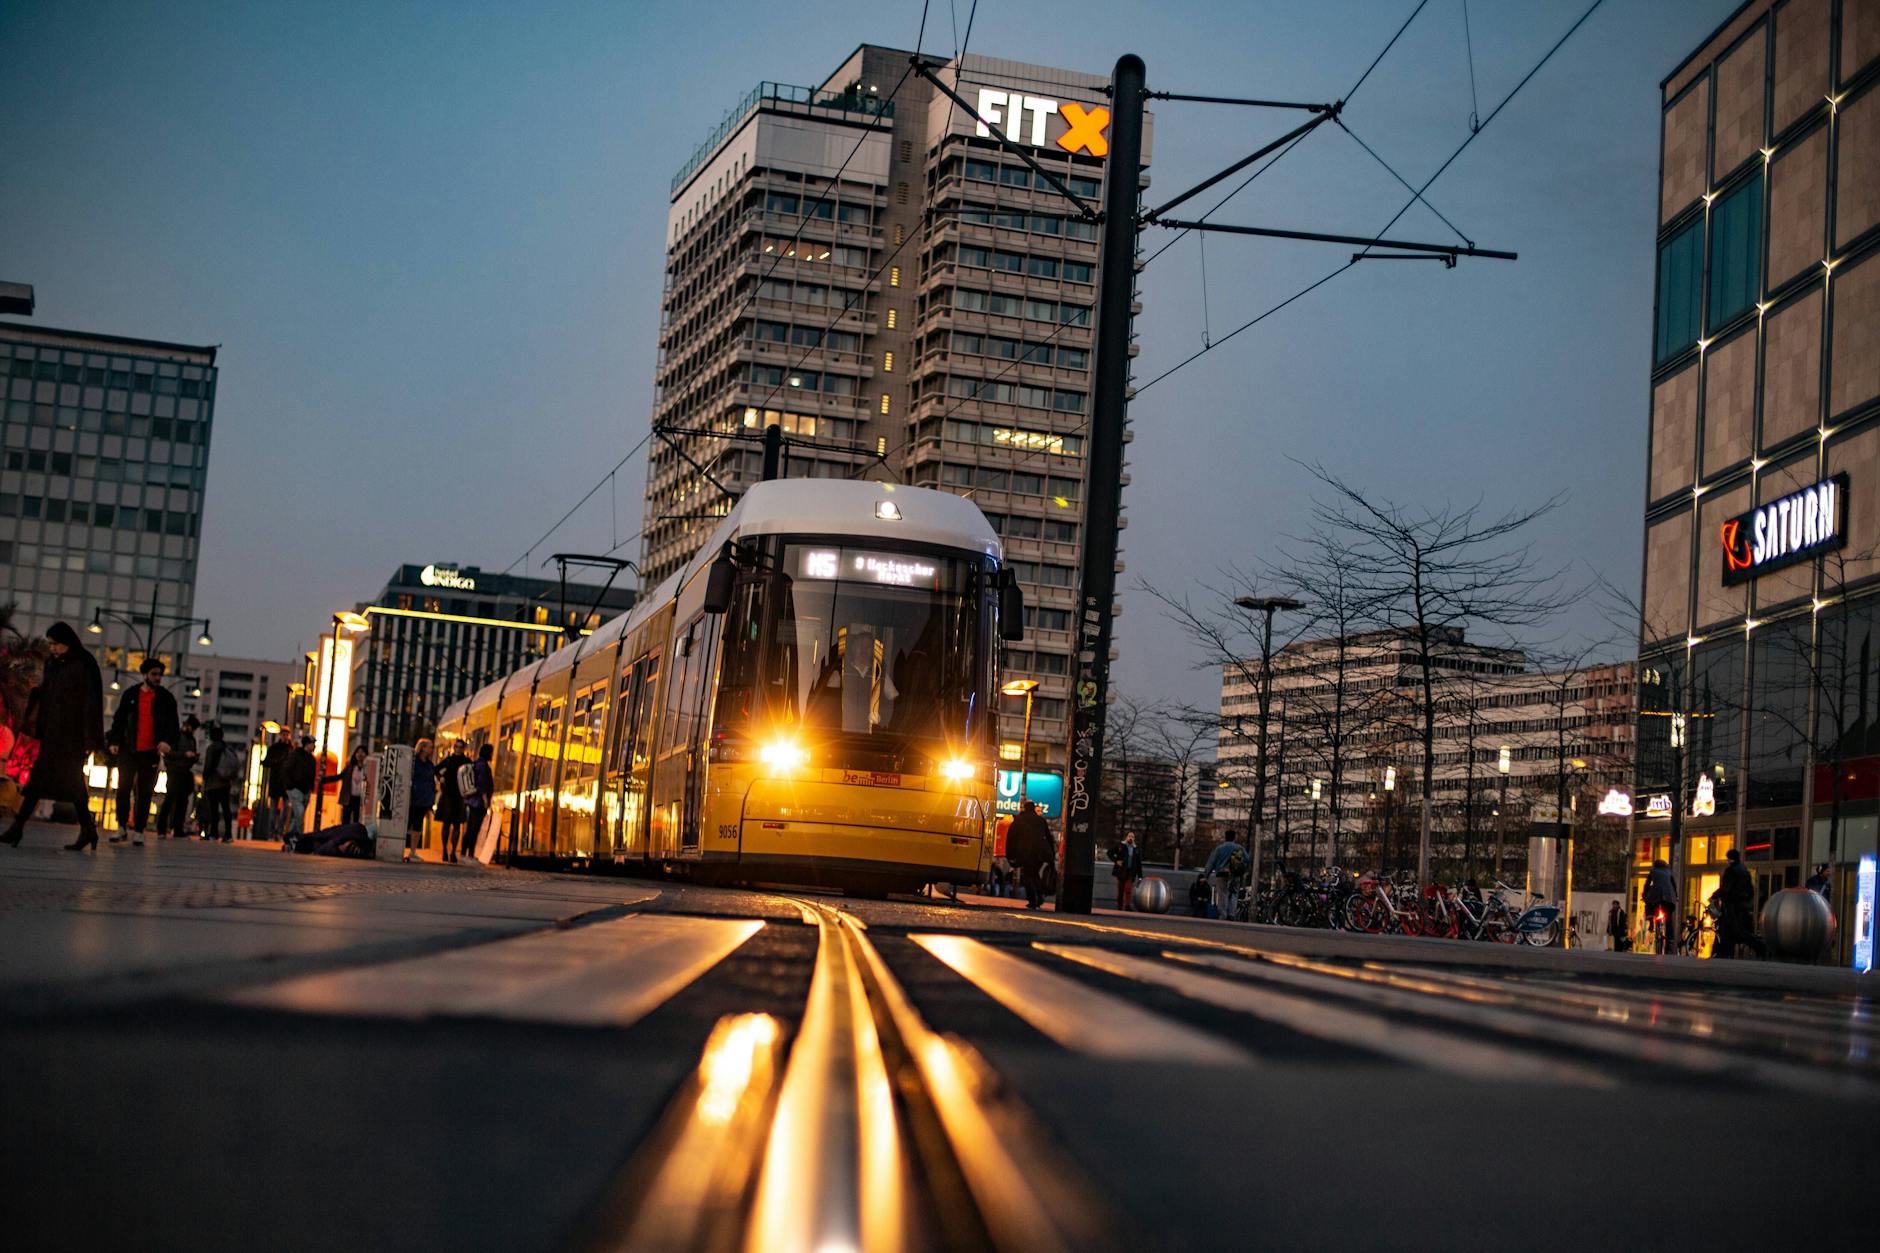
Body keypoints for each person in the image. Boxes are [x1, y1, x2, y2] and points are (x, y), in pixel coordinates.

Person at [1, 622, 105, 851]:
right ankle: (20, 828)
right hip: (52, 733)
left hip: (73, 736)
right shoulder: (53, 664)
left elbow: (91, 702)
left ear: (67, 643)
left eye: (56, 644)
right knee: (41, 780)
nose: (53, 648)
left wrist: (91, 739)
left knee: (73, 784)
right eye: (50, 644)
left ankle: (85, 829)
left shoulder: (84, 664)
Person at [107, 657, 180, 846]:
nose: (158, 678)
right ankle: (121, 827)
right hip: (128, 750)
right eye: (154, 674)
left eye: (160, 675)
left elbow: (173, 725)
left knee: (145, 792)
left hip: (150, 752)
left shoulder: (165, 698)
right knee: (123, 789)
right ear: (145, 674)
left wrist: (166, 742)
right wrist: (114, 741)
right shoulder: (130, 694)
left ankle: (139, 830)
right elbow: (119, 720)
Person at [1711, 848, 1767, 959]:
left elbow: (1726, 888)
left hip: (1730, 905)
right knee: (1730, 931)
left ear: (1730, 859)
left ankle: (1760, 946)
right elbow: (1750, 891)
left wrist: (1714, 895)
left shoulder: (1731, 871)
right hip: (1740, 906)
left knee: (1735, 931)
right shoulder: (1745, 871)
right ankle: (1722, 954)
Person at [1005, 799, 1054, 909]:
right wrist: (1051, 855)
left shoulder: (1019, 820)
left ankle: (1033, 899)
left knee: (1028, 875)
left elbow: (1011, 837)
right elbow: (1049, 838)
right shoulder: (1041, 821)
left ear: (1025, 808)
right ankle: (1039, 896)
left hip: (1025, 853)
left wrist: (1010, 854)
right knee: (1034, 874)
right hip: (1040, 854)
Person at [156, 715, 200, 839]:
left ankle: (178, 828)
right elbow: (168, 754)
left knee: (182, 802)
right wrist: (184, 755)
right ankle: (162, 828)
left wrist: (193, 757)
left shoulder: (192, 740)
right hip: (174, 772)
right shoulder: (176, 736)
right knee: (169, 800)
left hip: (185, 772)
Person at [196, 723, 239, 842]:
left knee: (213, 809)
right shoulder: (227, 748)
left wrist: (205, 777)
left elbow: (208, 766)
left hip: (213, 783)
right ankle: (228, 834)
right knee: (226, 809)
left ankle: (214, 833)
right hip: (225, 783)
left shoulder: (212, 748)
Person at [435, 739, 469, 862]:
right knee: (446, 824)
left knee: (457, 825)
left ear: (463, 748)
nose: (458, 749)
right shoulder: (449, 760)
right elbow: (436, 769)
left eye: (460, 747)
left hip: (459, 796)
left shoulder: (467, 762)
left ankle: (453, 851)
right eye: (456, 747)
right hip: (448, 795)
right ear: (454, 748)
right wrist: (440, 778)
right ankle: (445, 850)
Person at [461, 743, 495, 863]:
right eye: (491, 752)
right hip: (478, 803)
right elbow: (482, 786)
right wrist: (486, 802)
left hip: (472, 801)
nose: (492, 755)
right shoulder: (484, 767)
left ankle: (463, 852)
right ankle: (469, 854)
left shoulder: (476, 764)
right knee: (474, 829)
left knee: (470, 827)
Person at [1205, 831, 1250, 922]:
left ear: (1225, 837)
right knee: (1234, 893)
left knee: (1222, 894)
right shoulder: (1239, 848)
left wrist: (1207, 874)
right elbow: (1247, 859)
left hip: (1221, 874)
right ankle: (1232, 914)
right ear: (1234, 837)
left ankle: (1223, 914)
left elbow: (1211, 862)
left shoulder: (1219, 848)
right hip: (1235, 874)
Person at [281, 735, 317, 843]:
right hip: (295, 789)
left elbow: (311, 775)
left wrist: (311, 788)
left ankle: (290, 837)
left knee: (298, 815)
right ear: (307, 744)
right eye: (312, 743)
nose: (314, 746)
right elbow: (286, 769)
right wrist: (290, 785)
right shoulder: (295, 754)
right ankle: (299, 837)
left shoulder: (312, 759)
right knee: (300, 813)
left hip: (306, 790)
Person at [407, 738, 437, 861]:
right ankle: (406, 849)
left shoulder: (429, 764)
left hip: (425, 798)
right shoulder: (414, 763)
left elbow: (431, 781)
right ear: (423, 748)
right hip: (414, 797)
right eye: (430, 747)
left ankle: (413, 851)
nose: (432, 749)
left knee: (418, 824)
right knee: (409, 822)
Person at [1642, 859, 1678, 954]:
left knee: (1648, 904)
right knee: (1669, 918)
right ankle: (1670, 941)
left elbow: (1647, 884)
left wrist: (1644, 895)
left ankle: (1651, 921)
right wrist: (1676, 896)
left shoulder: (1653, 871)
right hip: (1669, 898)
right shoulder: (1669, 871)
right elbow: (1674, 885)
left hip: (1656, 896)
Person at [263, 729, 293, 833]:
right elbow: (267, 762)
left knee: (284, 809)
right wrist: (276, 762)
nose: (285, 737)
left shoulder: (291, 749)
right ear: (280, 735)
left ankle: (279, 830)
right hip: (277, 781)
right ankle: (272, 831)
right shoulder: (275, 748)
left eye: (287, 735)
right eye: (283, 735)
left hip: (286, 782)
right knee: (274, 808)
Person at [1110, 830, 1144, 910]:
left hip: (1131, 872)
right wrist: (1116, 861)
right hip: (1121, 871)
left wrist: (1140, 876)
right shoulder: (1121, 845)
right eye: (1129, 836)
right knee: (1120, 890)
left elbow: (1138, 863)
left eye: (1132, 837)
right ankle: (1119, 907)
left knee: (1128, 889)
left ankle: (1127, 906)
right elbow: (1109, 852)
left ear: (1134, 839)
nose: (1131, 838)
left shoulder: (1136, 849)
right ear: (1126, 837)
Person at [337, 746, 368, 826]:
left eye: (362, 752)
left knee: (357, 821)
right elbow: (340, 776)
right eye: (358, 752)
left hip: (360, 799)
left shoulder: (367, 769)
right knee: (345, 820)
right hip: (349, 798)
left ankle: (354, 837)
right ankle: (344, 836)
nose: (360, 754)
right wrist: (324, 780)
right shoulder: (350, 767)